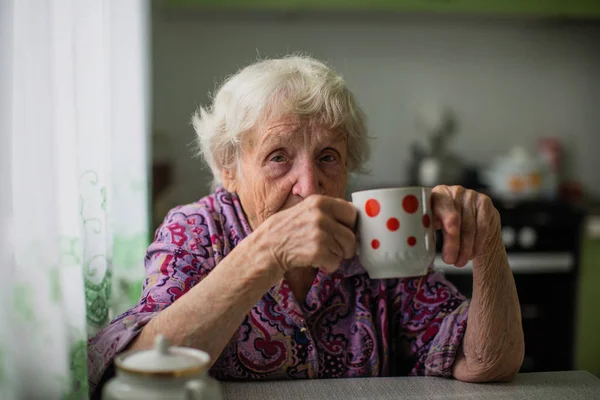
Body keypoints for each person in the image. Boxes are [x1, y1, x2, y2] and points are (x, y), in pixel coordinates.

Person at [88, 55, 524, 396]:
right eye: (279, 156)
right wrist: (268, 253)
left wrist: (487, 242)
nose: (309, 186)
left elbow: (484, 364)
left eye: (328, 157)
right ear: (229, 167)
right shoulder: (197, 230)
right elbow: (135, 366)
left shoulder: (376, 235)